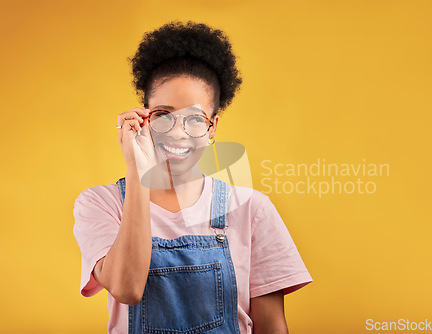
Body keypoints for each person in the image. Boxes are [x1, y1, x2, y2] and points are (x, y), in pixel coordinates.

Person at [73, 20, 313, 334]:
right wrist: (138, 172)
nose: (178, 131)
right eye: (163, 115)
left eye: (195, 119)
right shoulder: (100, 204)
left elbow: (271, 327)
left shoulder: (252, 208)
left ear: (212, 127)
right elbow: (127, 288)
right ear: (143, 118)